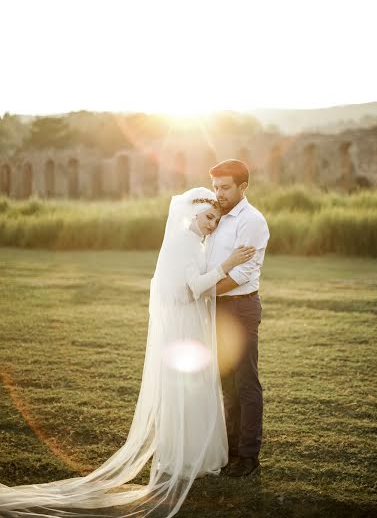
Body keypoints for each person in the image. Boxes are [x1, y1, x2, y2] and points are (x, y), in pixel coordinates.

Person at [0, 187, 255, 518]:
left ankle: (198, 453)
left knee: (195, 387)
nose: (212, 225)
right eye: (208, 218)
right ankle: (185, 455)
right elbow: (193, 288)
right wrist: (228, 264)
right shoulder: (183, 241)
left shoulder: (194, 240)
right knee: (185, 388)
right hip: (185, 326)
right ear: (192, 213)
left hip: (191, 324)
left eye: (216, 221)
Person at [206, 160, 270, 478]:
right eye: (216, 186)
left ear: (243, 187)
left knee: (246, 382)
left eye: (225, 187)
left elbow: (244, 273)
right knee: (226, 384)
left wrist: (205, 292)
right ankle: (230, 451)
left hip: (240, 308)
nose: (218, 194)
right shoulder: (215, 217)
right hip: (216, 310)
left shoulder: (252, 220)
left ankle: (248, 458)